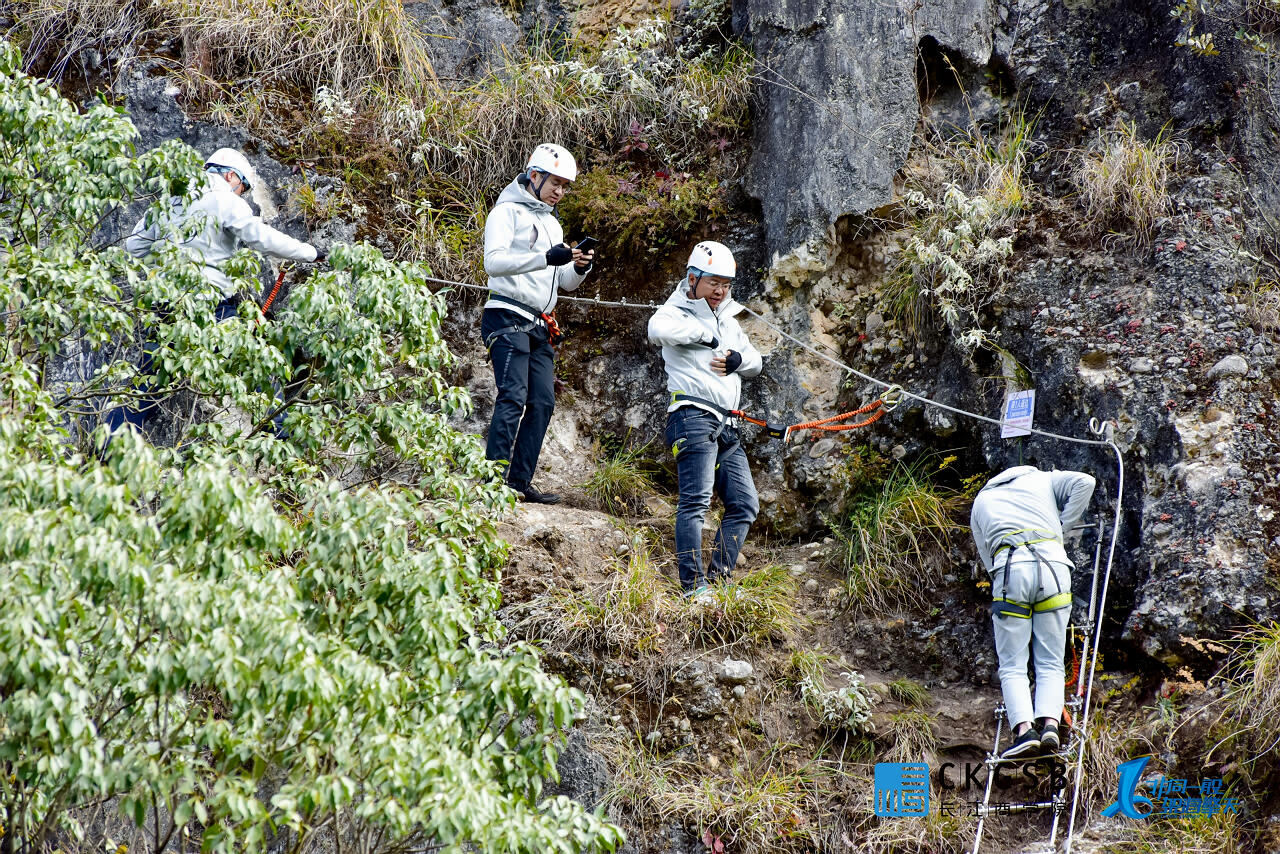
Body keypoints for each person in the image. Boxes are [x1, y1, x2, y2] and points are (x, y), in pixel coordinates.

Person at [108, 147, 323, 433]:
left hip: (166, 307)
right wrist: (310, 253)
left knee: (146, 384)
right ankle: (278, 439)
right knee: (258, 363)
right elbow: (262, 238)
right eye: (242, 188)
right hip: (214, 310)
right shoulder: (224, 200)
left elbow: (134, 245)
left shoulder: (173, 197)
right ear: (231, 175)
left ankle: (108, 448)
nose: (240, 194)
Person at [647, 241, 762, 597]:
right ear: (693, 278)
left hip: (726, 424)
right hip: (691, 416)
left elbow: (756, 361)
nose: (720, 290)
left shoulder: (728, 316)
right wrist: (703, 334)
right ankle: (693, 587)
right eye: (714, 282)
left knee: (745, 504)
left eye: (726, 283)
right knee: (695, 502)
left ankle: (718, 580)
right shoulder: (675, 309)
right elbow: (656, 331)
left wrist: (737, 361)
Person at [481, 143, 594, 504]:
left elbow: (563, 282)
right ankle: (491, 482)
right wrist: (545, 257)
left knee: (543, 402)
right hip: (505, 314)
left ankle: (518, 482)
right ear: (534, 175)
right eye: (555, 183)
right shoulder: (506, 212)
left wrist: (579, 266)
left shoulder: (552, 222)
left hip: (540, 323)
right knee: (513, 396)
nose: (560, 191)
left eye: (565, 186)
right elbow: (493, 263)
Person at [969, 465, 1097, 759]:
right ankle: (1050, 725)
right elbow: (1086, 481)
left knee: (1013, 664)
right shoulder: (1043, 479)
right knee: (1051, 660)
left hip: (1010, 571)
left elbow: (986, 554)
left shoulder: (981, 501)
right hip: (1053, 568)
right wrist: (1060, 531)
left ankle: (1024, 731)